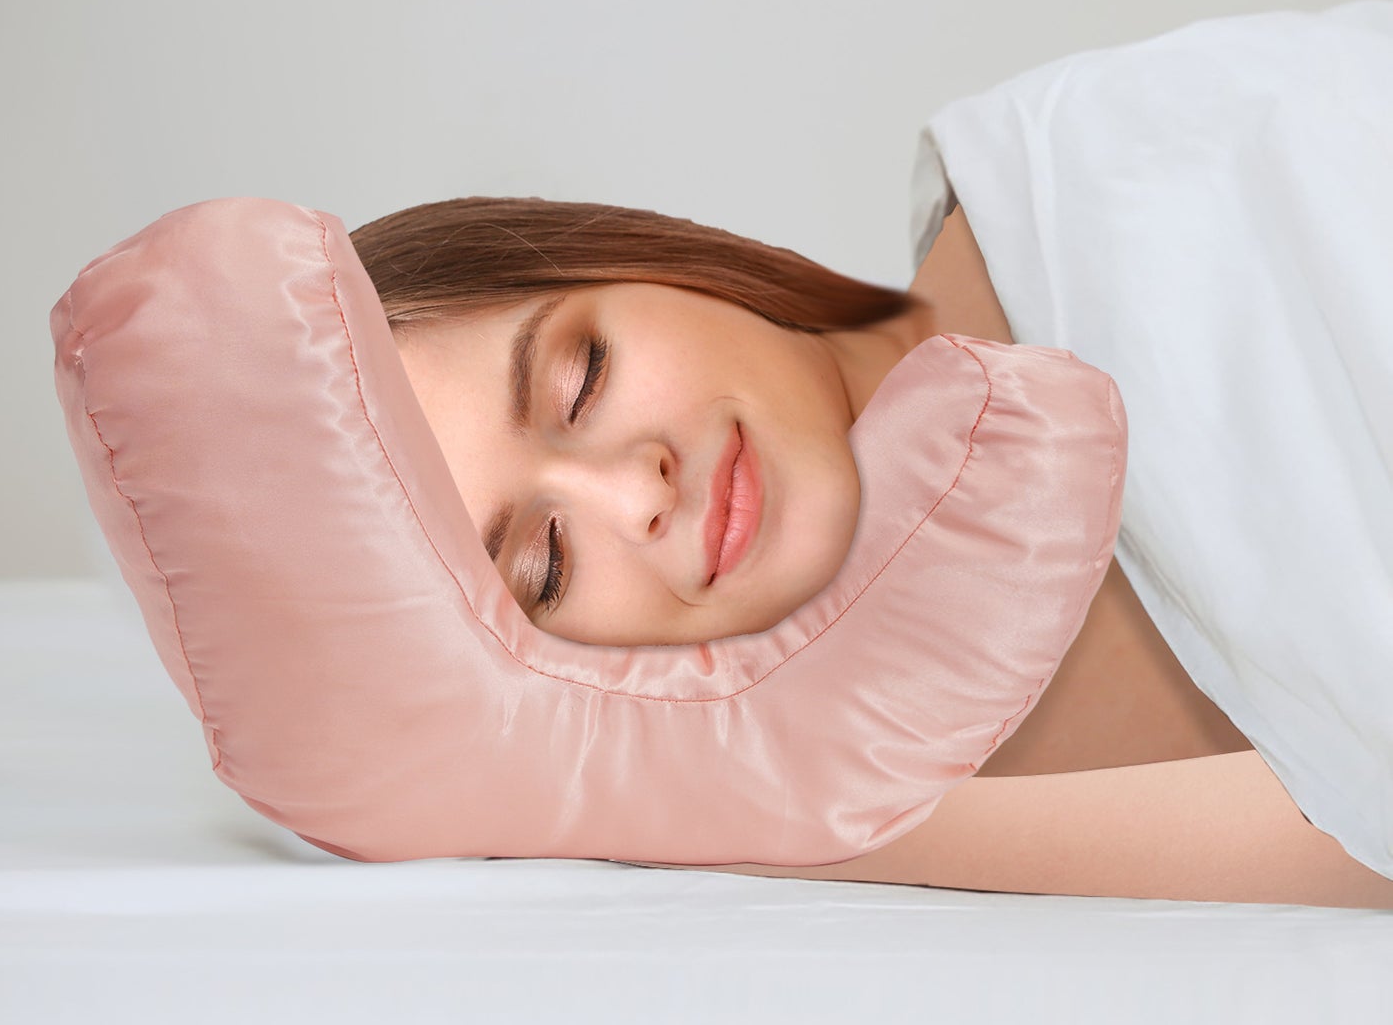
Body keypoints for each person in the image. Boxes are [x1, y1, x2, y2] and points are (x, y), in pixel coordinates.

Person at [350, 196, 1393, 910]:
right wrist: (725, 795)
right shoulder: (896, 754)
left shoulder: (1070, 188)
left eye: (580, 377)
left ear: (636, 265)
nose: (638, 486)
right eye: (547, 567)